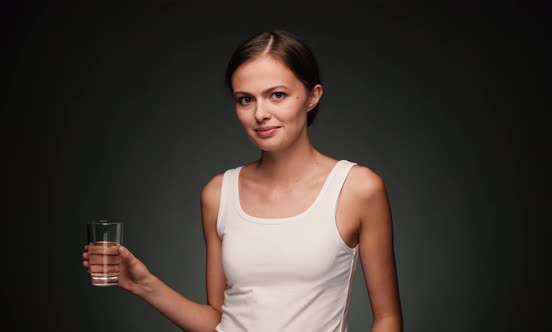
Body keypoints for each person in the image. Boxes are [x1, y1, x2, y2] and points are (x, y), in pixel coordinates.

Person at [82, 29, 403, 332]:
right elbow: (217, 321)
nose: (260, 113)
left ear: (312, 96)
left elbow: (387, 319)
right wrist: (143, 284)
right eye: (245, 99)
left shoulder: (357, 188)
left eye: (277, 95)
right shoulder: (218, 193)